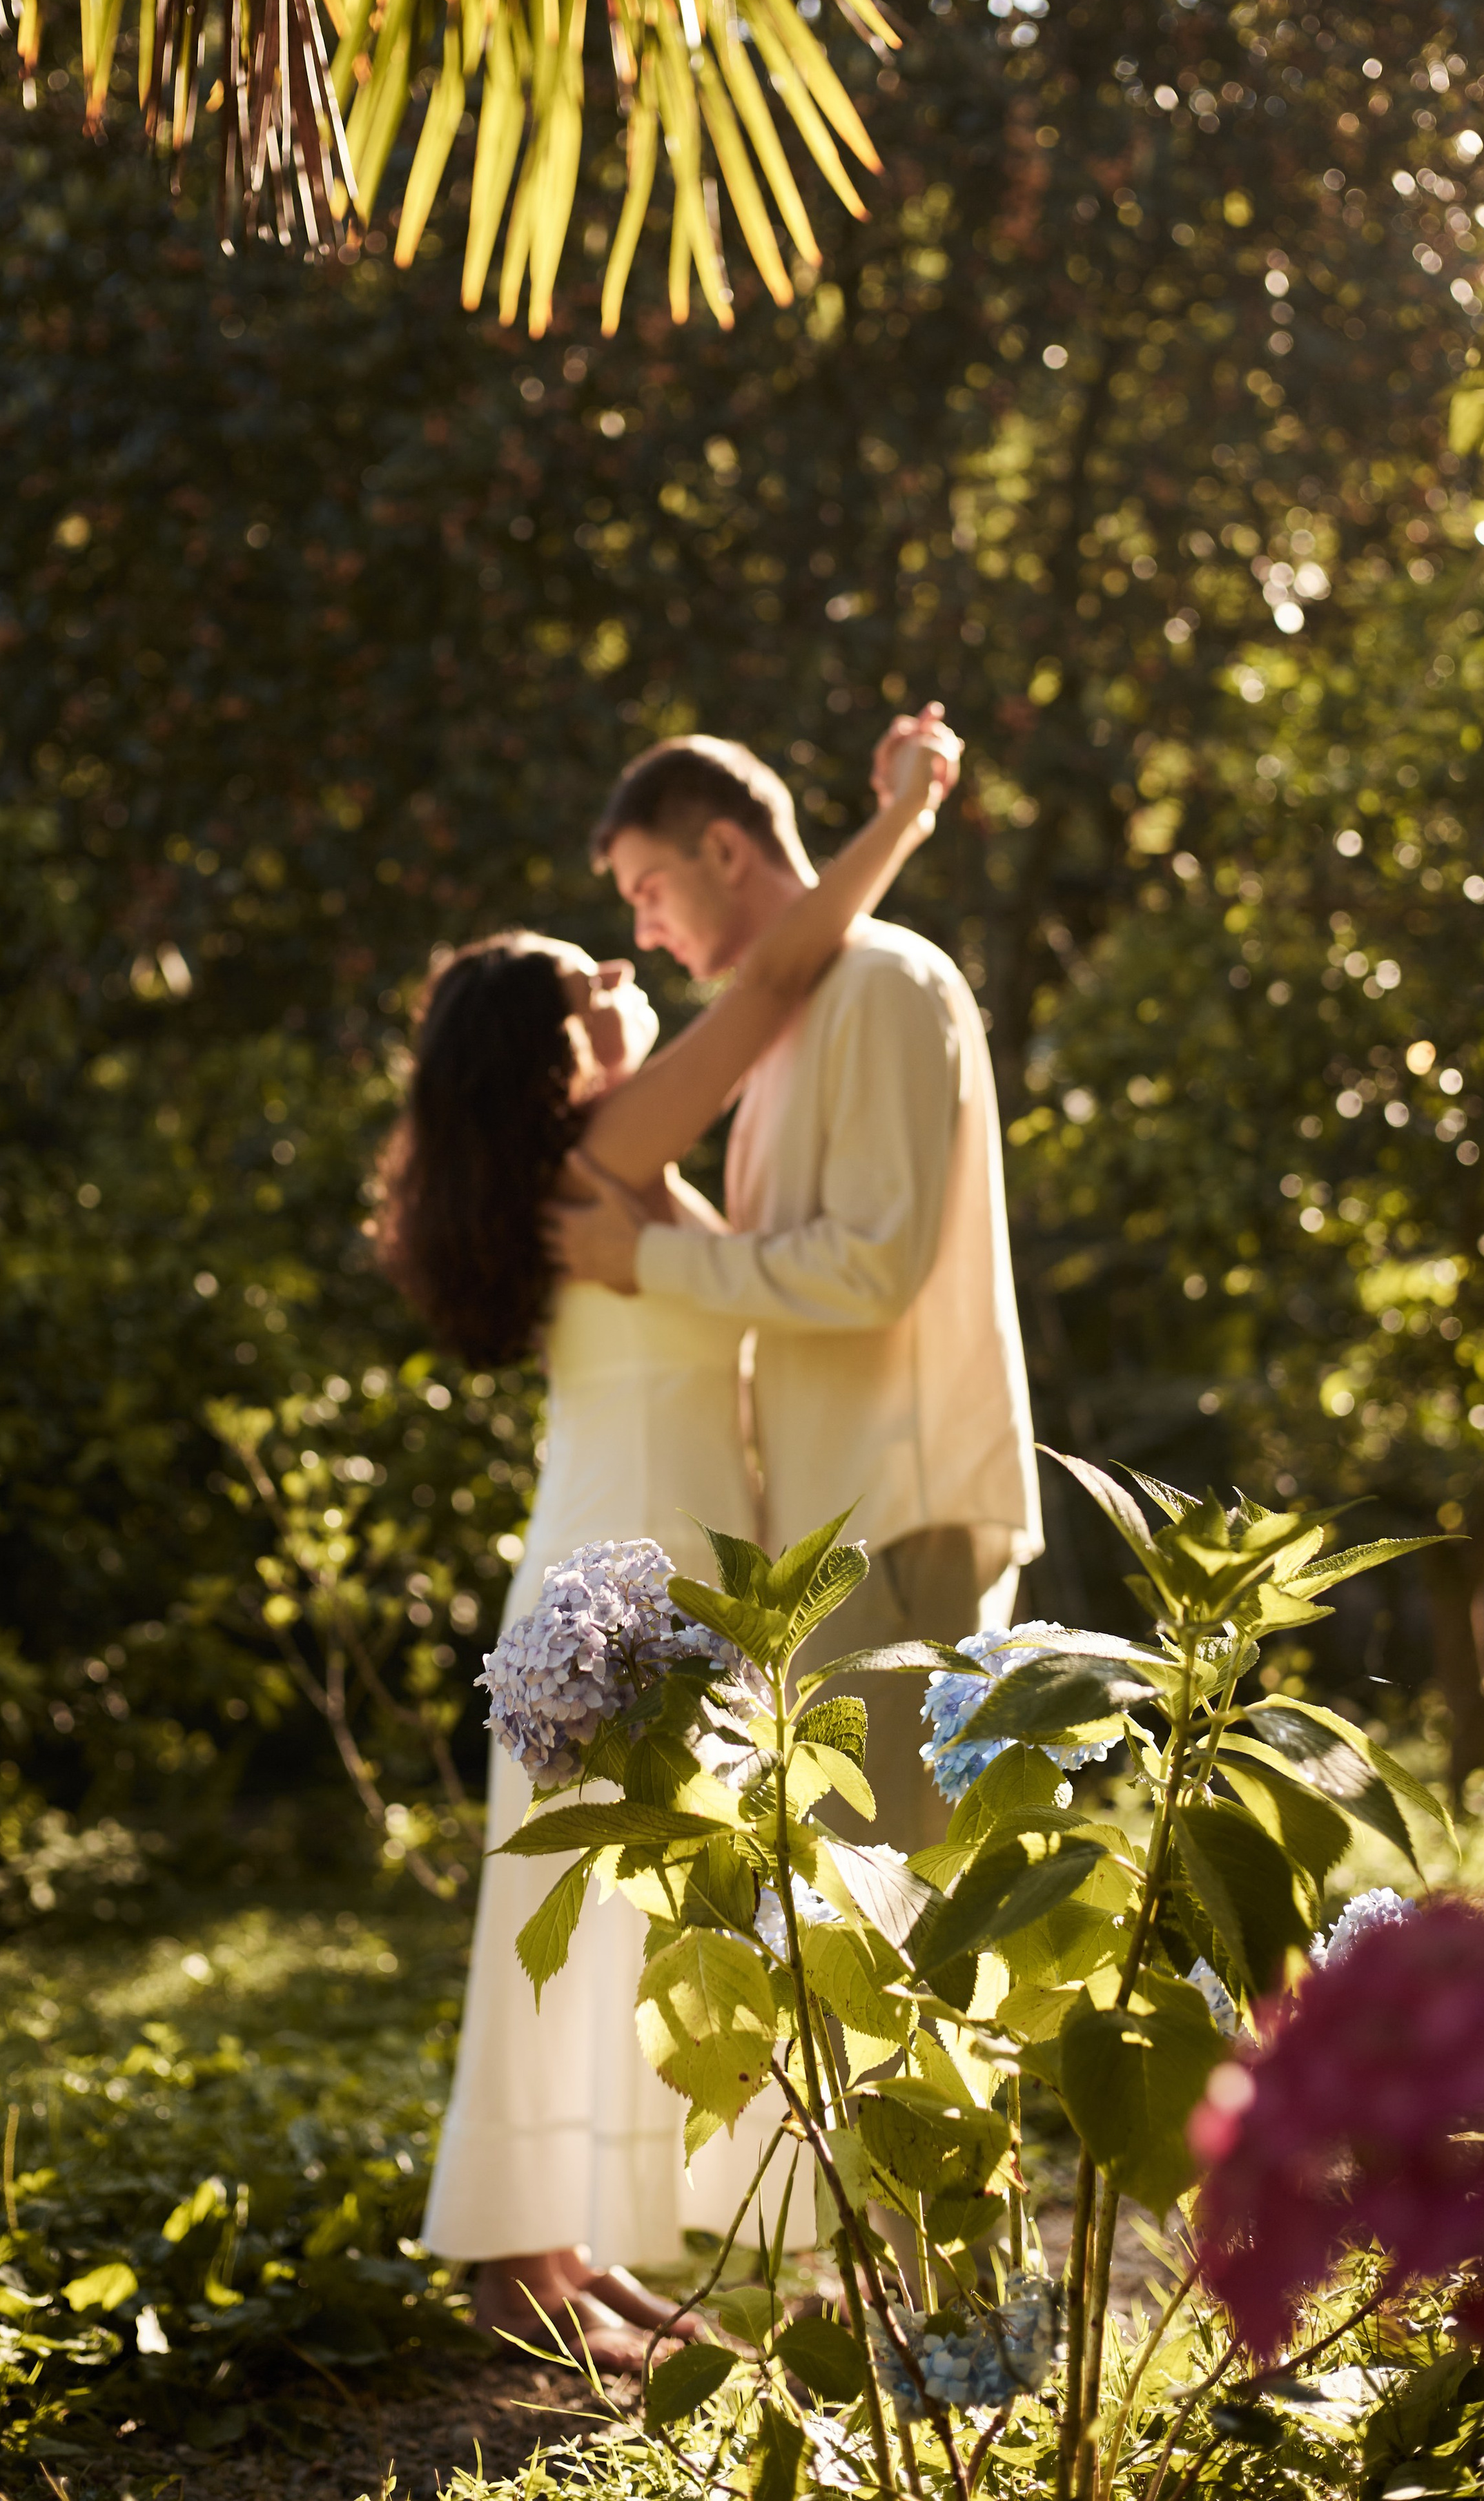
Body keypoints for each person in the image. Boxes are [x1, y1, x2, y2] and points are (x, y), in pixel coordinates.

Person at [376, 717, 959, 2373]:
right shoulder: (606, 1150)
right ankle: (514, 2261)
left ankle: (564, 2251)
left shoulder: (616, 1163)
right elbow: (770, 989)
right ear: (556, 1052)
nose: (634, 977)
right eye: (595, 982)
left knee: (634, 1907)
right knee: (578, 1908)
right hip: (612, 1577)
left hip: (634, 1556)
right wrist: (900, 821)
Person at [550, 724, 1042, 1860]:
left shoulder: (882, 984)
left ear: (725, 850)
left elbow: (870, 1269)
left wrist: (645, 1263)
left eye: (649, 888)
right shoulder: (786, 1026)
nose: (642, 930)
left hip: (903, 1516)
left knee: (910, 1919)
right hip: (839, 1531)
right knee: (845, 1937)